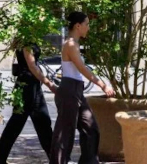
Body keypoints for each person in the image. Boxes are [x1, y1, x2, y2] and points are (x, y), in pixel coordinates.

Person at [49, 12, 114, 164]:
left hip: (76, 90)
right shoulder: (70, 44)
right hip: (69, 90)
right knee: (65, 135)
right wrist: (102, 85)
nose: (88, 28)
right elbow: (83, 68)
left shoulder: (74, 44)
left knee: (91, 129)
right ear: (78, 26)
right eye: (87, 24)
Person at [0, 43, 57, 164]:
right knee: (23, 124)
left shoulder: (27, 37)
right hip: (28, 86)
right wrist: (50, 84)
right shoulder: (27, 40)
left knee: (40, 123)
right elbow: (32, 66)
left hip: (30, 85)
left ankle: (55, 158)